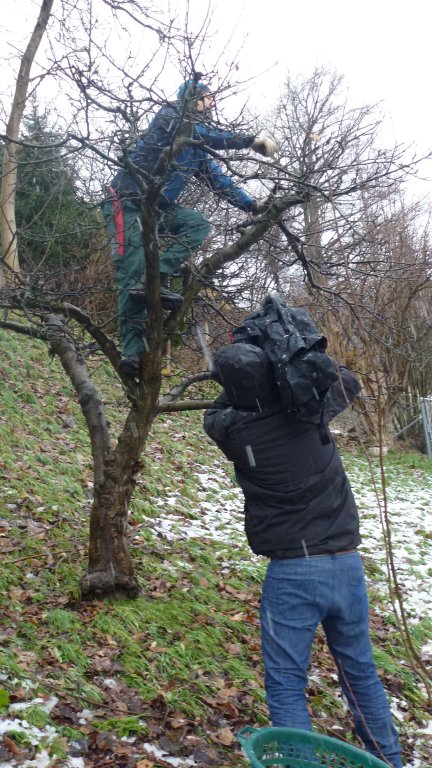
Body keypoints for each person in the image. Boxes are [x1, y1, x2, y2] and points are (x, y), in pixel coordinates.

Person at [203, 334, 403, 768]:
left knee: (287, 682)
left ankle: (300, 764)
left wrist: (248, 377)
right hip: (345, 565)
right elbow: (346, 379)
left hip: (293, 574)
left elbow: (216, 411)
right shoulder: (311, 410)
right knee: (360, 673)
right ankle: (387, 761)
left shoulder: (232, 430)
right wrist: (288, 359)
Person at [102, 79, 277, 378]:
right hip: (127, 201)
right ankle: (131, 354)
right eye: (206, 99)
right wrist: (248, 140)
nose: (210, 104)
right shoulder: (170, 119)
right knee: (131, 272)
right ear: (191, 99)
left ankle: (155, 277)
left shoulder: (197, 150)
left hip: (158, 209)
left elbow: (218, 181)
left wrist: (252, 205)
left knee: (196, 224)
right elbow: (199, 133)